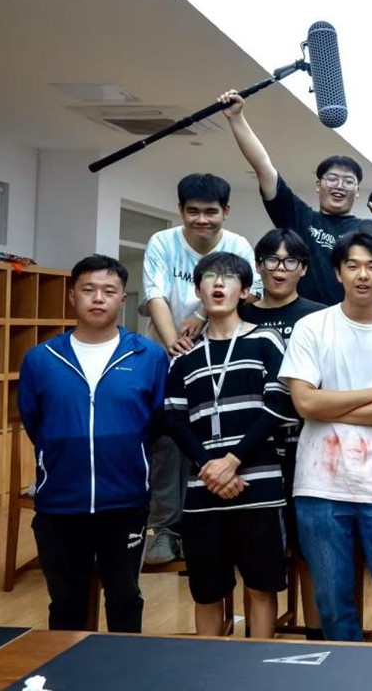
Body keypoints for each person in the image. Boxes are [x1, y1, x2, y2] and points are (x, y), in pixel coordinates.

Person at [279, 230, 372, 643]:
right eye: (353, 265)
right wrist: (371, 394)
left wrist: (330, 405)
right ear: (338, 272)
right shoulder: (312, 328)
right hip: (319, 484)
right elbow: (304, 403)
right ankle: (346, 673)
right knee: (331, 600)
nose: (363, 275)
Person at [18, 254, 168, 632]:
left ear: (123, 299)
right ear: (72, 296)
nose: (98, 298)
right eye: (88, 290)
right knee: (66, 604)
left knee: (125, 598)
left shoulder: (148, 356)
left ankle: (122, 667)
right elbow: (34, 421)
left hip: (125, 501)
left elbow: (156, 422)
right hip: (60, 503)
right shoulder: (41, 359)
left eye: (109, 291)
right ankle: (68, 668)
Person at [164, 252, 294, 638]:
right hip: (203, 488)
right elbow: (174, 418)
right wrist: (211, 467)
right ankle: (209, 665)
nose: (218, 284)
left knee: (261, 586)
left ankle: (260, 663)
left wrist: (232, 461)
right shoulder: (184, 356)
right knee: (206, 591)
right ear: (197, 290)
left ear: (246, 290)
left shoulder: (265, 341)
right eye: (210, 277)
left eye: (229, 278)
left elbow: (278, 405)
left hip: (259, 485)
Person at [141, 172, 261, 565]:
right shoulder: (163, 242)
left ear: (226, 211)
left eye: (211, 212)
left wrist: (200, 316)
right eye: (193, 211)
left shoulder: (238, 245)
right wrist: (174, 344)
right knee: (165, 441)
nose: (202, 220)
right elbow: (155, 296)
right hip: (168, 356)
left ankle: (204, 524)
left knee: (210, 436)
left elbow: (251, 293)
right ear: (180, 210)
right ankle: (163, 528)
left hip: (218, 355)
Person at [219, 90, 372, 303]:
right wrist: (236, 118)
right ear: (318, 185)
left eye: (348, 181)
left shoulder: (368, 229)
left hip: (348, 318)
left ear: (358, 190)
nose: (339, 186)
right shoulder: (300, 217)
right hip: (300, 318)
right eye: (332, 178)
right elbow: (263, 167)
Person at [236, 228, 325, 640]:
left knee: (310, 551)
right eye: (271, 259)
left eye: (290, 261)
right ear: (259, 265)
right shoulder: (241, 315)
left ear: (303, 268)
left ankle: (317, 638)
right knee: (254, 554)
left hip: (307, 446)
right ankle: (258, 643)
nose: (280, 269)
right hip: (252, 450)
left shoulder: (319, 316)